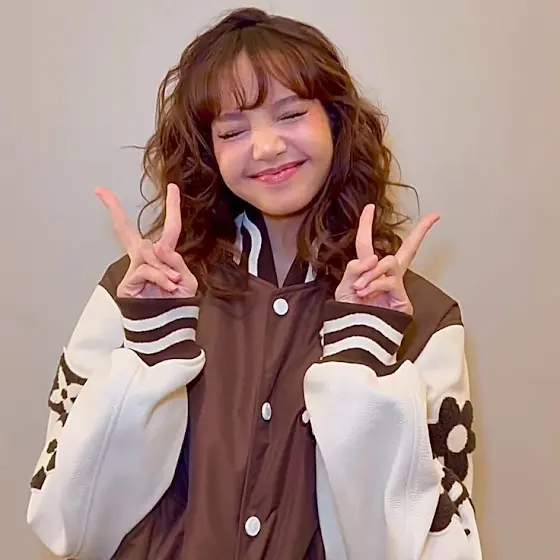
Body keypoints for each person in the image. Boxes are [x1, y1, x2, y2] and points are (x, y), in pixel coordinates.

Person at [27, 7, 481, 560]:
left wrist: (362, 372)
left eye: (291, 114)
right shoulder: (137, 294)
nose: (265, 147)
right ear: (208, 150)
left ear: (335, 122)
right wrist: (149, 357)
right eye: (233, 130)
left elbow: (437, 548)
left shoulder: (422, 319)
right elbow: (66, 523)